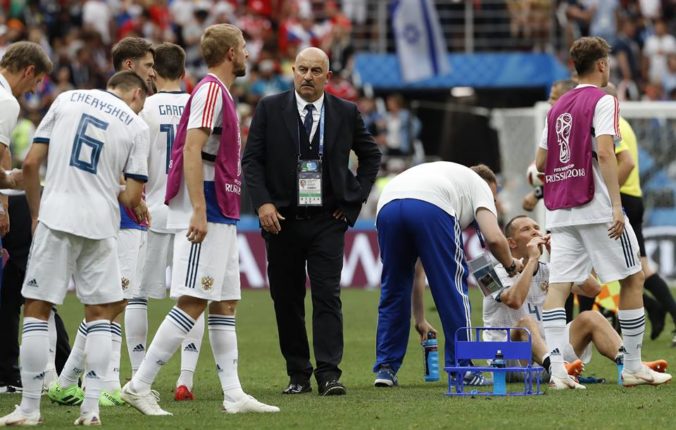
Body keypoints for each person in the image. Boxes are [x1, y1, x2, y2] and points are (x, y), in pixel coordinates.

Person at [121, 24, 279, 415]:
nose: (247, 53)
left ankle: (233, 393)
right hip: (206, 207)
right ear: (229, 53)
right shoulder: (210, 91)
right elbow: (191, 150)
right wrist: (197, 210)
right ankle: (139, 385)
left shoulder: (216, 91)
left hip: (221, 210)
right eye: (242, 47)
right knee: (193, 299)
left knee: (225, 302)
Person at [0, 70, 150, 426]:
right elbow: (131, 196)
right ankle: (91, 409)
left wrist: (36, 213)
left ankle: (30, 408)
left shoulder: (67, 99)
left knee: (37, 308)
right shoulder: (136, 125)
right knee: (99, 313)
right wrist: (113, 189)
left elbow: (33, 164)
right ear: (136, 95)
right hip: (100, 224)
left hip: (57, 215)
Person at [242, 47, 381, 396]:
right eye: (302, 69)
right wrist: (263, 204)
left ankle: (329, 374)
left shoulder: (346, 112)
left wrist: (352, 206)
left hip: (326, 221)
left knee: (327, 297)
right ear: (292, 70)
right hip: (282, 221)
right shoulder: (270, 108)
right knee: (286, 300)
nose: (307, 76)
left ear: (327, 76)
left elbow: (371, 156)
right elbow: (252, 161)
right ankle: (298, 374)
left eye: (315, 71)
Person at [534, 36, 670, 389]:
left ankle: (559, 372)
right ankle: (633, 367)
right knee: (634, 278)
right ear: (602, 65)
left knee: (559, 288)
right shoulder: (603, 99)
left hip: (561, 211)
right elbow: (607, 153)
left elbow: (539, 163)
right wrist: (614, 205)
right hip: (594, 206)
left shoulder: (556, 107)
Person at [46, 36, 159, 408]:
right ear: (129, 68)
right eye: (147, 66)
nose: (152, 74)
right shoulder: (127, 117)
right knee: (111, 301)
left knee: (113, 301)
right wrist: (136, 202)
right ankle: (87, 381)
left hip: (112, 214)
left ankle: (86, 380)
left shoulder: (88, 105)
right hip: (119, 218)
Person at [372, 162, 523, 386]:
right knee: (452, 288)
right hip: (432, 206)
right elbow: (494, 238)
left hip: (387, 205)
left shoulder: (445, 175)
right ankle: (462, 367)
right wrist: (511, 265)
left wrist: (420, 318)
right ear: (489, 186)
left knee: (393, 288)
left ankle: (386, 369)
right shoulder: (480, 186)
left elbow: (416, 272)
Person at [482, 215, 669, 381]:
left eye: (536, 227)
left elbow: (593, 289)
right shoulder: (487, 272)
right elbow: (514, 301)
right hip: (507, 361)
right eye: (526, 229)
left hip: (550, 354)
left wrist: (557, 256)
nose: (535, 232)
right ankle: (556, 367)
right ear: (511, 243)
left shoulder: (548, 268)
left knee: (591, 317)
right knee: (525, 323)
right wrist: (531, 260)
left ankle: (631, 364)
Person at [604, 84, 676, 346]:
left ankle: (641, 313)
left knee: (607, 269)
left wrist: (605, 197)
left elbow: (618, 163)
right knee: (640, 267)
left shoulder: (609, 127)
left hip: (620, 199)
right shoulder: (624, 124)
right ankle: (657, 310)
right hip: (632, 197)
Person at [0, 41, 52, 394]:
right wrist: (3, 202)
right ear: (28, 70)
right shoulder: (6, 100)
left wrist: (7, 178)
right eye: (35, 82)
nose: (33, 90)